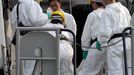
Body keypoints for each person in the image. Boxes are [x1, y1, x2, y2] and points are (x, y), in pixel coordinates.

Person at [97, 0, 131, 75]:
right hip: (128, 41)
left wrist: (101, 42)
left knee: (115, 70)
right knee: (129, 68)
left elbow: (105, 32)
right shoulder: (124, 9)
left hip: (115, 44)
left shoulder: (107, 11)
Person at [77, 0, 105, 75]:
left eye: (91, 3)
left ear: (95, 3)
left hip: (96, 46)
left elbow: (86, 34)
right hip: (111, 45)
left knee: (87, 71)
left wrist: (85, 49)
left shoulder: (92, 15)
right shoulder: (108, 12)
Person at [43, 10, 74, 75]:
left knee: (51, 71)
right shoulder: (65, 30)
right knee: (66, 71)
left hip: (52, 49)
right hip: (67, 49)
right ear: (62, 21)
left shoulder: (46, 26)